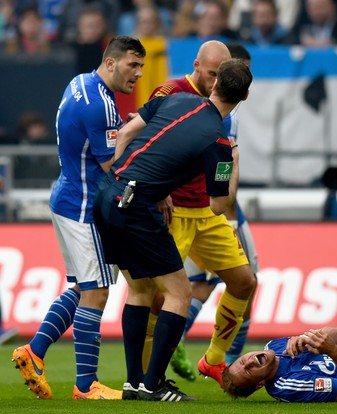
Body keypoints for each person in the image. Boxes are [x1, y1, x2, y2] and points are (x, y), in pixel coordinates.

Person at [92, 58, 253, 401]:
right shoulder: (220, 144)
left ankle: (135, 383)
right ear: (246, 96)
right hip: (138, 208)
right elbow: (220, 206)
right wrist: (234, 161)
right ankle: (154, 385)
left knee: (139, 291)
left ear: (214, 84)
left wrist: (122, 174)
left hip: (108, 195)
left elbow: (128, 131)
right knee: (179, 293)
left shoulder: (176, 99)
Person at [12, 35, 145, 400]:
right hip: (85, 206)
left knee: (84, 288)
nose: (138, 74)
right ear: (112, 62)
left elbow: (96, 136)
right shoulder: (101, 105)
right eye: (133, 65)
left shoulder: (80, 83)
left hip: (67, 195)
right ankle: (86, 386)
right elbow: (110, 164)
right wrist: (137, 129)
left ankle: (34, 352)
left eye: (142, 67)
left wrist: (122, 126)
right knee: (98, 291)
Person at [140, 40, 257, 387]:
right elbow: (143, 138)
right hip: (172, 212)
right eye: (210, 74)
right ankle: (148, 377)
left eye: (219, 76)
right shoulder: (172, 92)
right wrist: (156, 192)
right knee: (158, 298)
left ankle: (214, 360)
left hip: (207, 212)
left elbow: (220, 185)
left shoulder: (225, 112)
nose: (213, 82)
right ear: (197, 66)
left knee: (244, 281)